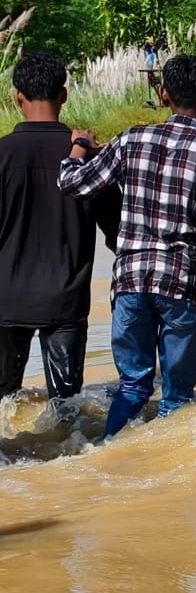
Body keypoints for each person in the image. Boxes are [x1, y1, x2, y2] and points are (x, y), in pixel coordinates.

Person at [58, 55, 196, 438]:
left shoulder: (130, 139)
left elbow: (74, 184)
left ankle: (108, 452)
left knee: (133, 386)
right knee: (176, 398)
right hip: (183, 286)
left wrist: (78, 148)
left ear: (162, 94)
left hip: (131, 282)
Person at [0, 51, 120, 415]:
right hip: (65, 301)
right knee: (67, 409)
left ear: (17, 97)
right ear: (63, 95)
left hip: (6, 300)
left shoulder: (2, 154)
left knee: (3, 402)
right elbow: (118, 233)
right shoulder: (86, 159)